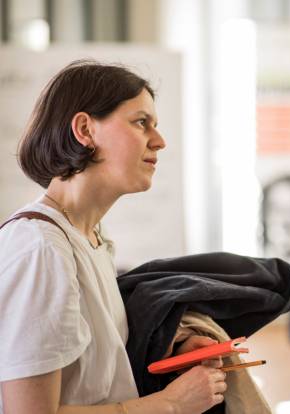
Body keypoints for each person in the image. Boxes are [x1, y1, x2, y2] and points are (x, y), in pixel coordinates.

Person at [0, 61, 226, 413]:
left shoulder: (89, 238)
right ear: (85, 130)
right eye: (141, 122)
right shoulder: (42, 248)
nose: (159, 141)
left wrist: (171, 351)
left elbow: (92, 374)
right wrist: (171, 405)